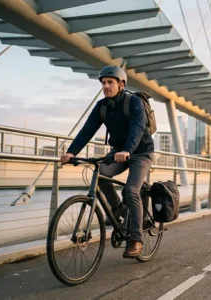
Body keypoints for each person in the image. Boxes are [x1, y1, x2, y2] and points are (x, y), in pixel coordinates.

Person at [60, 66, 154, 258]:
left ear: (121, 84)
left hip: (141, 152)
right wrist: (71, 152)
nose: (106, 86)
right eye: (103, 83)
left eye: (110, 82)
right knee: (101, 174)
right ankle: (119, 210)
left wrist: (127, 150)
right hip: (119, 152)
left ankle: (136, 239)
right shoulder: (102, 106)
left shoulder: (133, 102)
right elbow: (87, 130)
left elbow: (137, 128)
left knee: (131, 189)